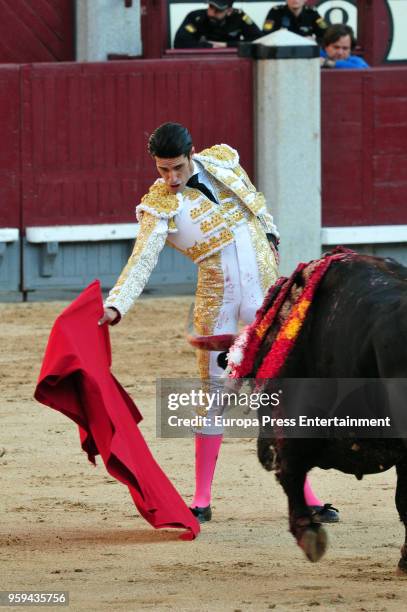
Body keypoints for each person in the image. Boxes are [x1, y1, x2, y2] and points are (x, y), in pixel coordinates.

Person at [99, 122, 339, 525]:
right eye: (162, 170)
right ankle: (202, 498)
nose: (171, 179)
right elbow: (141, 259)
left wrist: (271, 237)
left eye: (176, 168)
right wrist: (115, 305)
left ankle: (305, 495)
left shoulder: (224, 161)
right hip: (219, 307)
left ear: (191, 153)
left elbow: (257, 206)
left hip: (265, 299)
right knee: (215, 398)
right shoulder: (158, 206)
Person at [174, 0, 261, 49]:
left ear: (229, 11)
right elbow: (179, 42)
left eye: (218, 10)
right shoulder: (195, 17)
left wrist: (226, 45)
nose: (211, 13)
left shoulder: (239, 17)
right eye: (210, 7)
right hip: (201, 61)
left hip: (231, 62)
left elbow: (259, 40)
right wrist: (210, 46)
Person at [263, 0, 327, 43]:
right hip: (281, 51)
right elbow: (266, 35)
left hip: (305, 51)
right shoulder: (275, 12)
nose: (295, 0)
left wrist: (314, 40)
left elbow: (326, 36)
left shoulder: (312, 13)